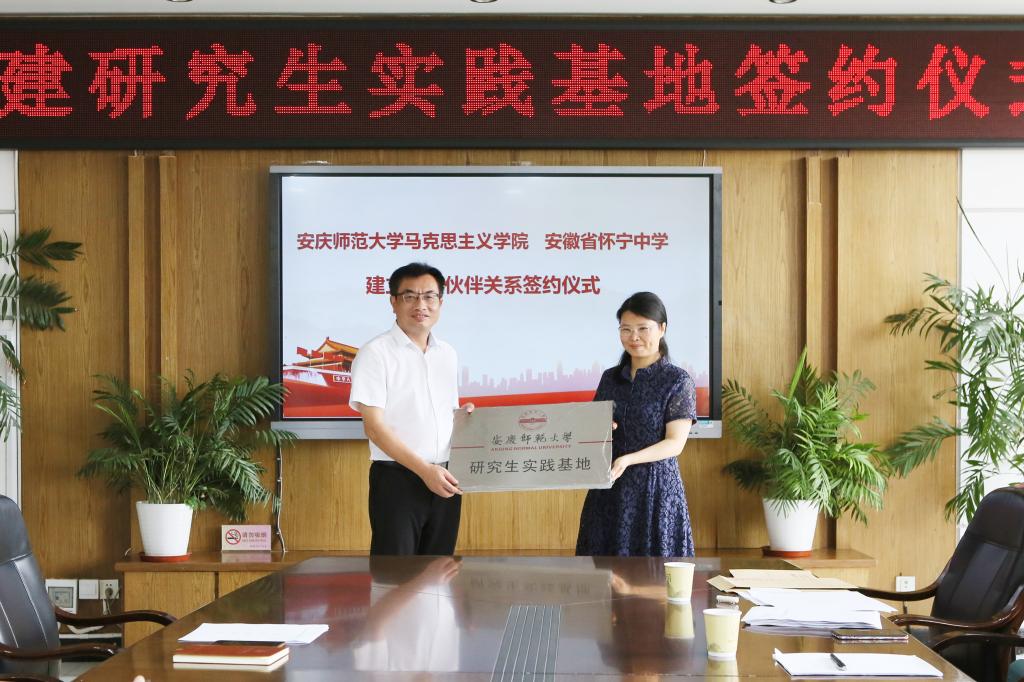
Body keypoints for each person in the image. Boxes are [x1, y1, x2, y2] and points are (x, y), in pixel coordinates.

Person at [350, 262, 471, 555]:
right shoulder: (375, 353)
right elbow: (374, 428)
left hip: (446, 477)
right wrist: (424, 471)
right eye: (410, 296)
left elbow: (437, 415)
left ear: (441, 302)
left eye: (429, 296)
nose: (421, 305)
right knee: (396, 574)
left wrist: (464, 418)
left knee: (440, 570)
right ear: (393, 301)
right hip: (398, 479)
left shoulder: (447, 353)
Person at [576, 291, 697, 557]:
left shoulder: (677, 381)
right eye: (626, 329)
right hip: (610, 489)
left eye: (643, 328)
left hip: (654, 491)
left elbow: (674, 443)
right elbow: (593, 426)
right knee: (603, 572)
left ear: (662, 329)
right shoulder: (610, 378)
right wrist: (599, 427)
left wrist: (629, 459)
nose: (634, 337)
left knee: (653, 574)